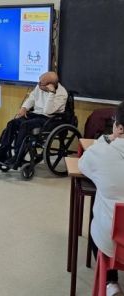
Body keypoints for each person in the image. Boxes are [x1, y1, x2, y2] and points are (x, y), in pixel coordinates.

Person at [79, 102, 124, 296]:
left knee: (99, 211)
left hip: (112, 241)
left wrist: (106, 140)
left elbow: (83, 165)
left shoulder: (101, 152)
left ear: (118, 126)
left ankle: (110, 281)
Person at [0, 71, 67, 164]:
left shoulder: (61, 94)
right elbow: (32, 97)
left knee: (25, 126)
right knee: (12, 123)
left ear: (50, 85)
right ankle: (3, 151)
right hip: (36, 114)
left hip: (49, 119)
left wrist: (51, 93)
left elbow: (47, 111)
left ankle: (17, 156)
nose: (38, 84)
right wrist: (24, 108)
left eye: (41, 83)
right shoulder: (40, 86)